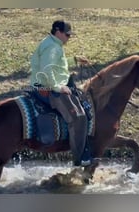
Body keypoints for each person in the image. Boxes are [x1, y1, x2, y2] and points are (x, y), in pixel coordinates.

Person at [30, 20, 92, 167]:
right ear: (58, 32)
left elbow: (57, 63)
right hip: (48, 89)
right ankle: (80, 160)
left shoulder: (54, 44)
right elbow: (47, 69)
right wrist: (57, 87)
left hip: (52, 85)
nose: (69, 38)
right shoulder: (52, 47)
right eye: (67, 35)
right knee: (79, 117)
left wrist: (74, 60)